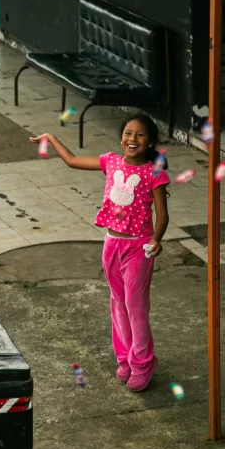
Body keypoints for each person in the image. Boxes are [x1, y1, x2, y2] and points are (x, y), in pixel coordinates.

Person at [30, 115, 170, 391]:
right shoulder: (110, 161)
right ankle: (126, 359)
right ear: (121, 139)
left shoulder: (155, 173)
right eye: (128, 133)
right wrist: (51, 139)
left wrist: (156, 239)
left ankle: (143, 362)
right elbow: (72, 161)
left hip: (139, 247)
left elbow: (163, 215)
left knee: (135, 305)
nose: (132, 139)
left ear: (150, 142)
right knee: (118, 303)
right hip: (112, 243)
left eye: (140, 135)